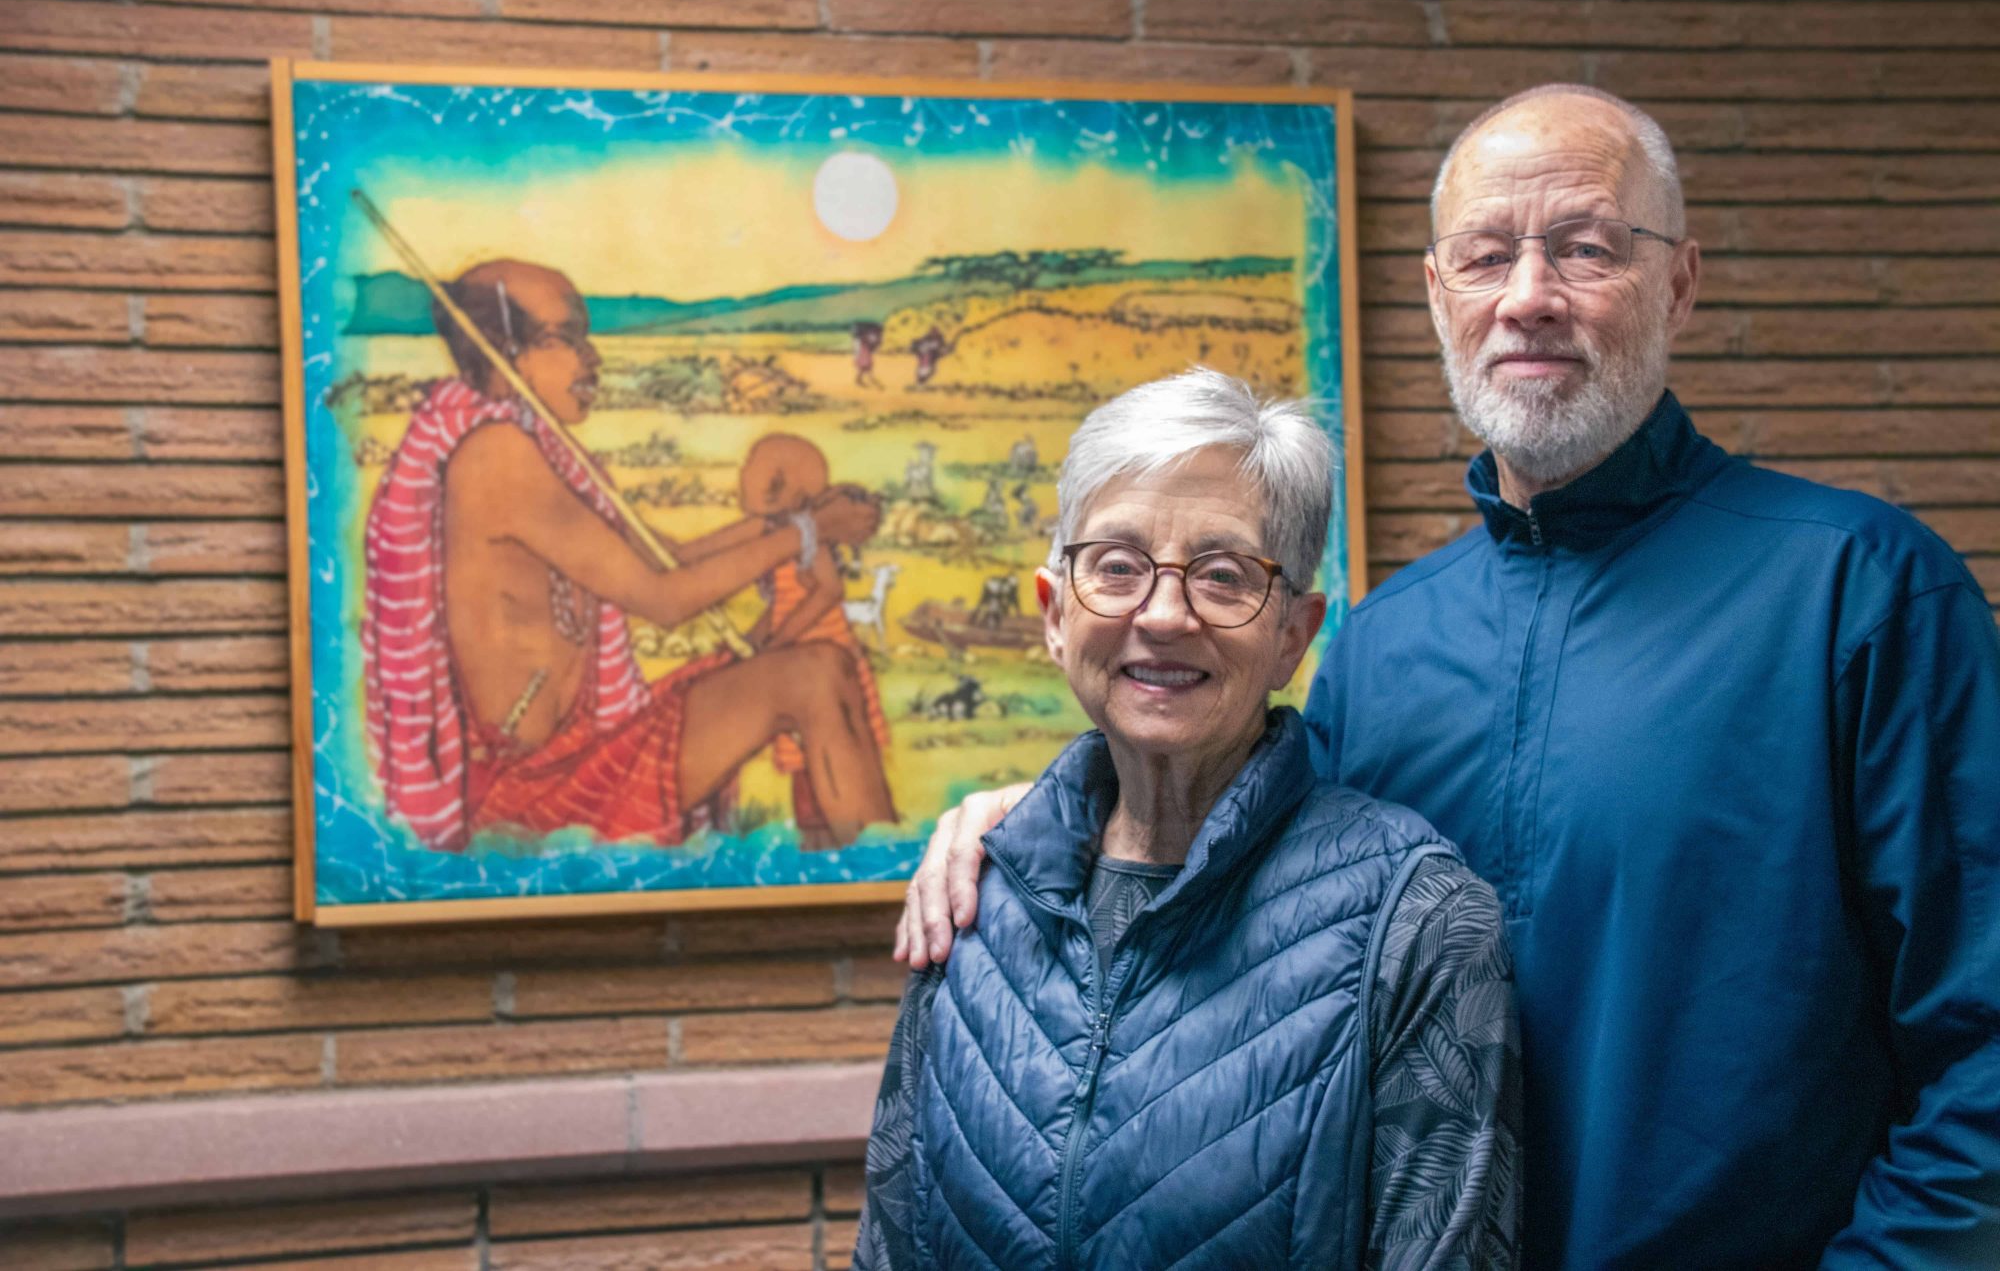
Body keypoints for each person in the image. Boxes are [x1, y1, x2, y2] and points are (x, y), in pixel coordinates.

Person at [894, 86, 2000, 1267]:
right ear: (1438, 297)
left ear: (1676, 282)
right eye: (1484, 257)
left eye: (1583, 247)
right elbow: (1228, 863)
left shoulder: (1858, 592)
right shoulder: (1379, 645)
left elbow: (1980, 1047)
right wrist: (1024, 822)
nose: (1528, 296)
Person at [853, 370, 1520, 1270]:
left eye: (1221, 574)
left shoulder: (1420, 924)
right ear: (1055, 614)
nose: (1163, 614)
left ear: (1293, 633)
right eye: (1118, 566)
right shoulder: (975, 896)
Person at [362, 258, 895, 851]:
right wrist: (808, 531)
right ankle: (885, 891)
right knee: (813, 676)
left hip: (590, 754)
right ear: (509, 354)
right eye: (567, 339)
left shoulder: (538, 450)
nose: (593, 360)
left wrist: (793, 522)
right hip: (536, 791)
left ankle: (848, 878)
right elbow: (664, 599)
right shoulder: (496, 457)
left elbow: (666, 557)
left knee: (819, 667)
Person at [737, 432, 893, 847]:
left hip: (822, 658)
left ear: (781, 487)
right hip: (800, 663)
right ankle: (819, 845)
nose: (741, 475)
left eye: (753, 466)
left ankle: (834, 846)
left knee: (825, 762)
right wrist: (756, 638)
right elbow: (781, 607)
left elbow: (828, 591)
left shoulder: (806, 540)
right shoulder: (779, 536)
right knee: (804, 761)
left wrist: (777, 641)